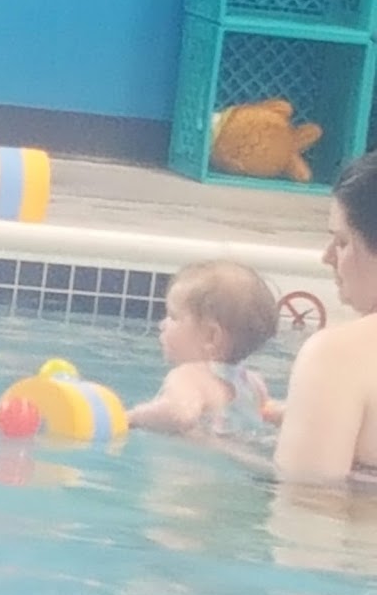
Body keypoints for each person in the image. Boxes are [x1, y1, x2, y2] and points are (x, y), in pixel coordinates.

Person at [275, 151, 377, 482]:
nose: (327, 256)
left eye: (342, 242)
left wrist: (215, 444)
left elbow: (306, 499)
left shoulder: (338, 357)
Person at [128, 260, 280, 438]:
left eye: (174, 317)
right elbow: (270, 413)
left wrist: (131, 417)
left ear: (211, 336)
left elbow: (180, 415)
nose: (162, 324)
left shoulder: (189, 377)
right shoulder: (253, 383)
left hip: (196, 455)